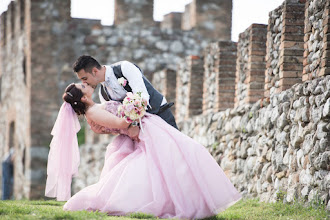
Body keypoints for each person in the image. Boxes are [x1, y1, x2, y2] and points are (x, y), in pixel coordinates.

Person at [45, 83, 241, 219]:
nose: (84, 84)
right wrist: (134, 109)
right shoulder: (93, 112)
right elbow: (120, 122)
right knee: (175, 159)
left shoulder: (94, 108)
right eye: (82, 87)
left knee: (178, 159)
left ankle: (191, 202)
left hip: (146, 129)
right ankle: (185, 203)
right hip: (144, 131)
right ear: (83, 96)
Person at [73, 55, 178, 130]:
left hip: (160, 114)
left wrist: (135, 123)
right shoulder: (103, 94)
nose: (84, 83)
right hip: (141, 130)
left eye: (85, 78)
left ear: (95, 71)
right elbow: (116, 119)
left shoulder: (124, 68)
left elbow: (142, 96)